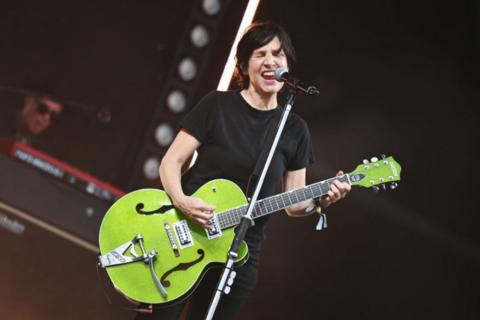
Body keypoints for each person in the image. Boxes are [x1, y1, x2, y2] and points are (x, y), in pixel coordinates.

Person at [137, 21, 351, 320]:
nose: (271, 61)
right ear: (244, 64)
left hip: (239, 255)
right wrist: (182, 201)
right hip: (187, 237)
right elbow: (171, 162)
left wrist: (323, 201)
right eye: (260, 54)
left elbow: (295, 203)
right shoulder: (218, 105)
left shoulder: (294, 129)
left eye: (278, 54)